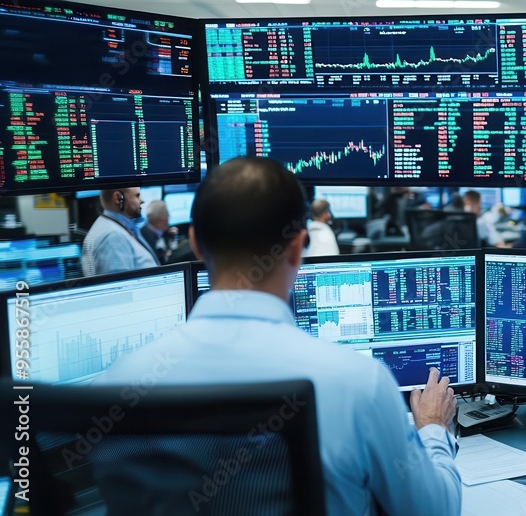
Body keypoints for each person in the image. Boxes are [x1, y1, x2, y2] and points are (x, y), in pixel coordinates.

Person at [95, 157, 461, 515]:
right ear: (299, 246)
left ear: (194, 242)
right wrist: (432, 429)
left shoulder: (116, 388)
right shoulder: (358, 384)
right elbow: (434, 510)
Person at [82, 187, 160, 276]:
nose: (142, 200)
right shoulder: (112, 237)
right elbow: (121, 287)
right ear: (118, 198)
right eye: (137, 195)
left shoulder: (112, 226)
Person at [140, 200, 178, 264]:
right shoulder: (146, 238)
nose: (169, 217)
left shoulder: (158, 231)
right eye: (167, 215)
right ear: (161, 220)